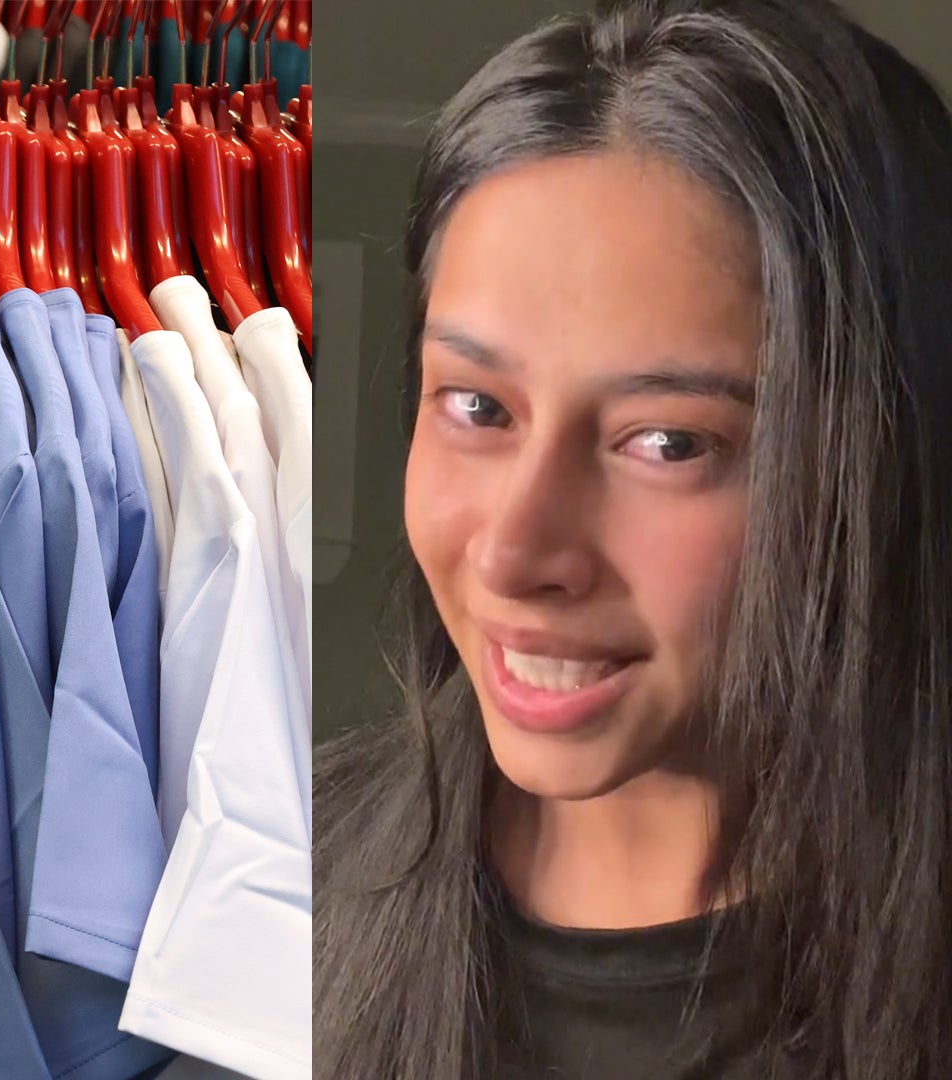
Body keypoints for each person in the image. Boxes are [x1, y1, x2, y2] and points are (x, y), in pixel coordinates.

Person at [313, 1, 952, 1077]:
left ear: (880, 465)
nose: (514, 557)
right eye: (477, 408)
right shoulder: (286, 880)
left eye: (666, 442)